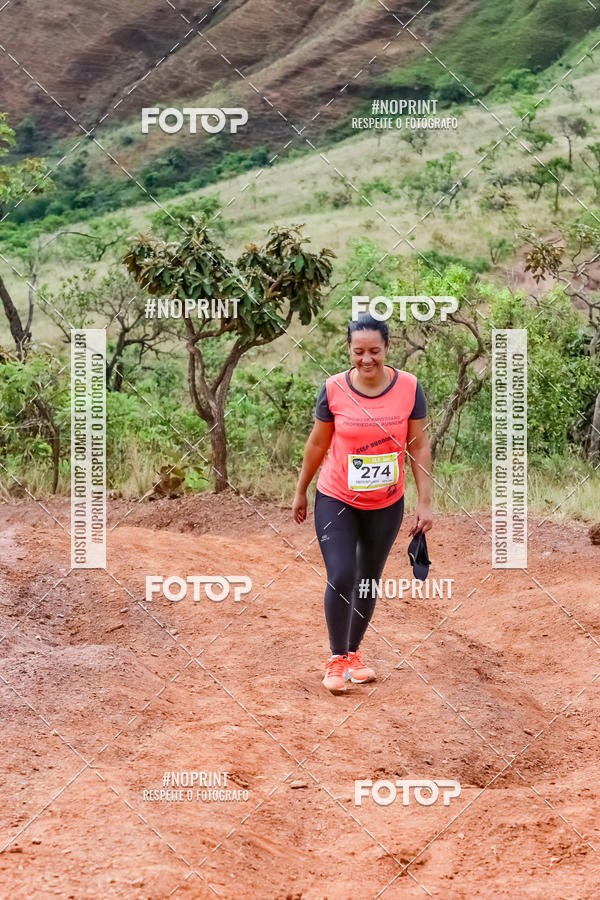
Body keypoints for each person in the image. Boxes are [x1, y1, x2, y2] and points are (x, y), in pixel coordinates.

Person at [292, 313, 433, 693]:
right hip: (336, 497)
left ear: (387, 348)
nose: (366, 358)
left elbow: (418, 445)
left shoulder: (409, 387)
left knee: (368, 581)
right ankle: (336, 658)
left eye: (374, 351)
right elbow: (318, 444)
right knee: (341, 574)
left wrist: (425, 501)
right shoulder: (334, 388)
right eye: (358, 351)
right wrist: (301, 489)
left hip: (387, 503)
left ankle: (354, 654)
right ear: (349, 351)